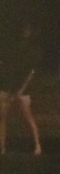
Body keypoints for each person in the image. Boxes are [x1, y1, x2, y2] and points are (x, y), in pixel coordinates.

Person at [1, 23, 43, 156]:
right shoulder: (16, 48)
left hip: (22, 90)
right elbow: (8, 66)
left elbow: (30, 73)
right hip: (8, 86)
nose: (25, 32)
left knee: (28, 117)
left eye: (28, 29)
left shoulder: (33, 51)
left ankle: (37, 145)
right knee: (2, 117)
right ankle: (2, 148)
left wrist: (20, 90)